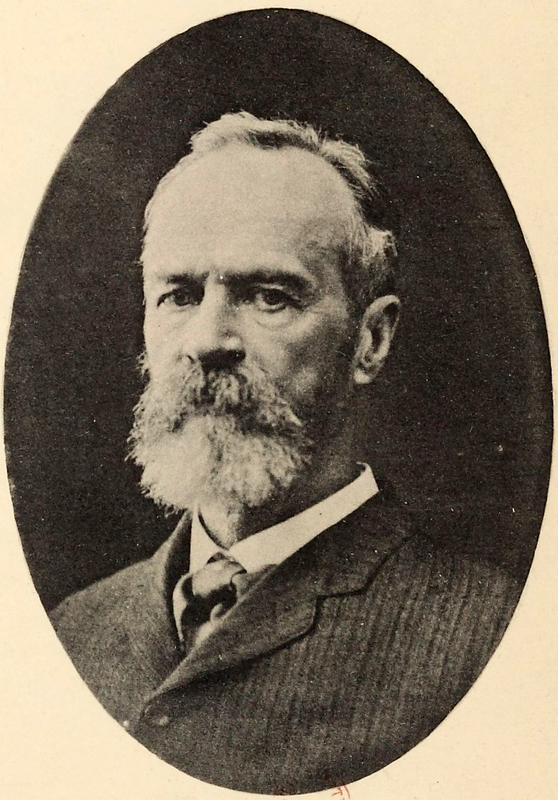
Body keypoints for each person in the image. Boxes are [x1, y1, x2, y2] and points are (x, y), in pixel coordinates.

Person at [51, 111, 519, 795]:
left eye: (268, 297)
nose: (206, 340)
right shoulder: (73, 630)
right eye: (179, 295)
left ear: (371, 341)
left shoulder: (487, 640)